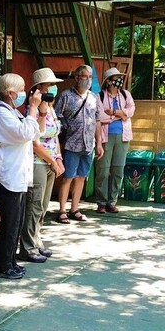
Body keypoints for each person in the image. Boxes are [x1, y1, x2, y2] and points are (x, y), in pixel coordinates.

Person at [0, 73, 42, 279]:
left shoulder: (14, 112)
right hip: (8, 174)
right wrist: (34, 109)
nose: (24, 93)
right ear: (10, 93)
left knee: (16, 221)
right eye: (20, 89)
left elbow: (35, 132)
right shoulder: (1, 113)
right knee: (9, 222)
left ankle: (10, 260)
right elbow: (24, 134)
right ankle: (1, 264)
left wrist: (39, 113)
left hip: (18, 173)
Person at [19, 67, 65, 263]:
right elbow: (35, 140)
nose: (53, 89)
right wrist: (42, 113)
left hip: (51, 161)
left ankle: (37, 240)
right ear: (39, 88)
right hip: (38, 162)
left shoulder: (51, 107)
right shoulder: (32, 108)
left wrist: (59, 158)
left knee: (44, 205)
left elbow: (54, 136)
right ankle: (27, 246)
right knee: (34, 205)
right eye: (49, 85)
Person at [54, 64, 103, 224]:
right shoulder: (65, 96)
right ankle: (62, 210)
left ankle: (75, 208)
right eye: (84, 76)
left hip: (89, 144)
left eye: (90, 77)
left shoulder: (94, 97)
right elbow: (56, 117)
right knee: (68, 177)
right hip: (71, 144)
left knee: (82, 177)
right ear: (76, 78)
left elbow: (97, 121)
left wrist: (100, 143)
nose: (87, 80)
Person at [96, 67, 135, 213]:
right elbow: (100, 116)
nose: (118, 81)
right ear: (108, 82)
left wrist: (112, 112)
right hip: (105, 137)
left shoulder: (126, 95)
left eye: (119, 77)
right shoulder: (99, 96)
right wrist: (120, 114)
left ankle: (112, 201)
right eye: (115, 78)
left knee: (118, 169)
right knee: (103, 170)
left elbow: (130, 111)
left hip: (123, 136)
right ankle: (101, 201)